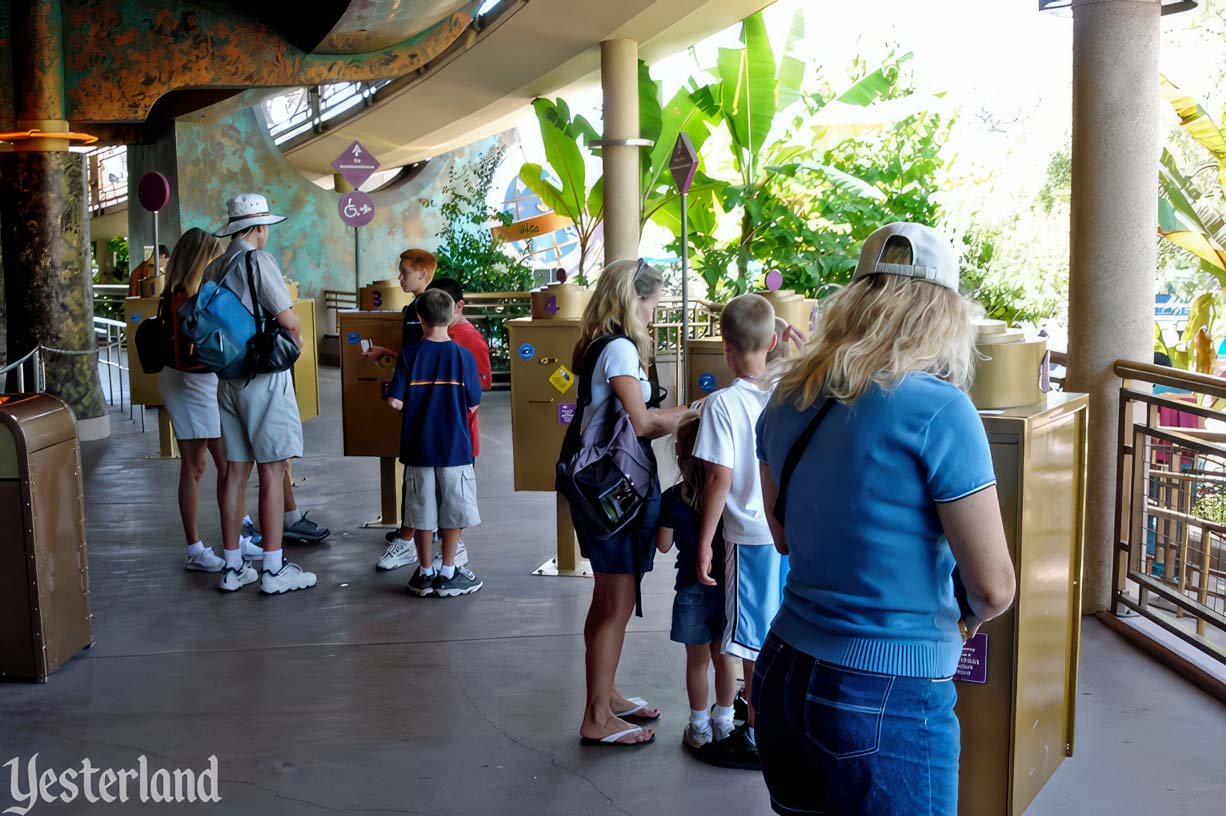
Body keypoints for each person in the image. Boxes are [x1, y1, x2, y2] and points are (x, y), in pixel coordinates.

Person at [753, 222, 1016, 815]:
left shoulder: (787, 396)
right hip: (886, 693)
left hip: (784, 670)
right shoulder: (940, 410)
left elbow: (783, 536)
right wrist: (969, 618)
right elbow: (995, 586)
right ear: (943, 314)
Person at [571, 259, 688, 748]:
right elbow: (641, 423)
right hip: (613, 492)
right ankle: (597, 717)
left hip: (598, 488)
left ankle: (607, 694)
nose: (654, 312)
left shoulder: (598, 344)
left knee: (605, 601)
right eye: (652, 302)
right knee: (616, 602)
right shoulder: (619, 349)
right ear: (633, 299)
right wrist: (695, 412)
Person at [691, 293, 785, 770]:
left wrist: (705, 542)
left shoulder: (722, 405)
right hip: (785, 535)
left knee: (749, 641)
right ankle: (771, 723)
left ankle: (756, 733)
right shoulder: (788, 395)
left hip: (746, 535)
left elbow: (718, 479)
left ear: (725, 348)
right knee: (777, 630)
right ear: (772, 342)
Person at [205, 192, 316, 595]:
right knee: (272, 469)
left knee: (235, 472)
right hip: (262, 377)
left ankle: (233, 567)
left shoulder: (214, 267)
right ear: (257, 228)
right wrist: (299, 344)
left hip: (227, 379)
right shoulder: (257, 260)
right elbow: (287, 319)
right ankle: (273, 567)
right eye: (265, 226)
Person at [159, 229, 264, 572]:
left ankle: (235, 537)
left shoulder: (198, 293)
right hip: (190, 384)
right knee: (196, 465)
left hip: (204, 383)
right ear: (200, 258)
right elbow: (183, 358)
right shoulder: (180, 297)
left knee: (227, 465)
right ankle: (195, 549)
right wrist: (225, 359)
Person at [385, 289, 483, 598]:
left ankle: (424, 572)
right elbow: (472, 404)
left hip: (418, 448)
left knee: (421, 509)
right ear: (453, 314)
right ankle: (449, 571)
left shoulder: (410, 356)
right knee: (453, 509)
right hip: (455, 448)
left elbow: (395, 404)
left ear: (419, 317)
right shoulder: (462, 356)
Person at [655, 412, 737, 752]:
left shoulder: (673, 497)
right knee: (725, 658)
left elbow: (662, 544)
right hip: (727, 587)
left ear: (678, 451)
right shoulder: (728, 496)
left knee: (697, 661)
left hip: (690, 587)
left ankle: (699, 724)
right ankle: (726, 722)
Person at [366, 249, 439, 571]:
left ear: (422, 274)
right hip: (419, 397)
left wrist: (401, 392)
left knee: (416, 470)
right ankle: (420, 529)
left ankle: (408, 538)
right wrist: (387, 352)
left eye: (405, 272)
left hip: (420, 400)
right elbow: (414, 353)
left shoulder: (426, 308)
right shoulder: (417, 308)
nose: (400, 277)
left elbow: (422, 356)